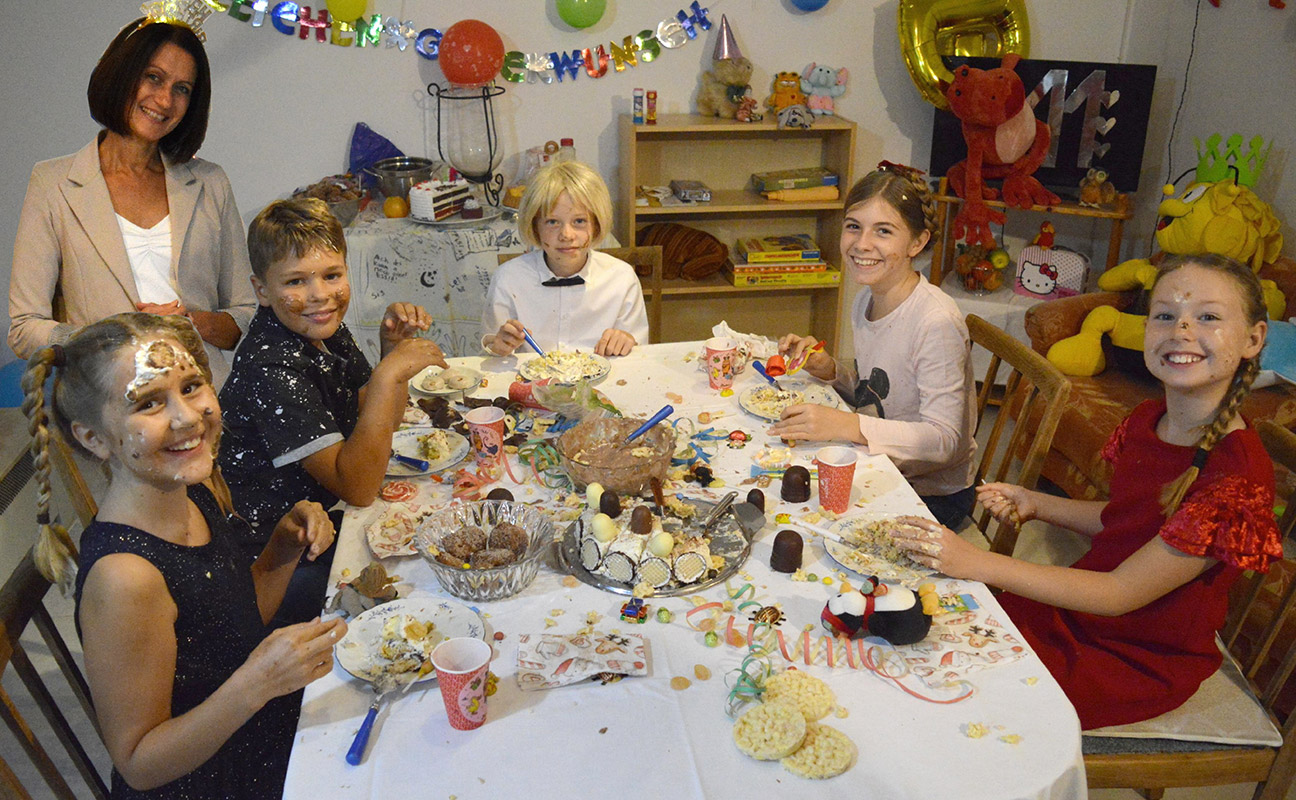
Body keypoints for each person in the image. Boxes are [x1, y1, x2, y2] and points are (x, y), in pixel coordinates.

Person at [893, 253, 1284, 729]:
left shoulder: (1236, 479)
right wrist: (1040, 504)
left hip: (1133, 657)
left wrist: (976, 561)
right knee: (923, 629)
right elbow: (1127, 518)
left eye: (1207, 316)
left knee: (953, 697)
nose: (1181, 329)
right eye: (1164, 315)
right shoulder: (1148, 420)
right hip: (1077, 614)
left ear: (1253, 338)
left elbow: (1120, 592)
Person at [22, 312, 345, 798]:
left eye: (192, 386)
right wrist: (256, 683)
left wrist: (280, 549)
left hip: (256, 732)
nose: (188, 417)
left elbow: (229, 624)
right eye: (149, 402)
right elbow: (139, 763)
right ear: (92, 437)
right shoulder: (125, 578)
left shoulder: (194, 493)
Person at [218, 198, 445, 622]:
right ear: (262, 290)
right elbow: (357, 486)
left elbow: (377, 427)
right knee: (422, 586)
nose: (319, 295)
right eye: (296, 282)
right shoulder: (270, 366)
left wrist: (389, 352)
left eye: (331, 275)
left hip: (320, 520)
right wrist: (386, 376)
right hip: (270, 559)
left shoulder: (325, 331)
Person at [8, 17, 256, 388]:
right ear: (122, 74)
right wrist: (108, 337)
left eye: (182, 88)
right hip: (103, 408)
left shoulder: (210, 182)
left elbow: (246, 315)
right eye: (153, 77)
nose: (164, 100)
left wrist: (191, 323)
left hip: (202, 404)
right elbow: (25, 329)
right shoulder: (52, 183)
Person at [771, 163, 977, 528]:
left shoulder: (935, 322)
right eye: (853, 226)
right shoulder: (866, 299)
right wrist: (833, 372)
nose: (862, 244)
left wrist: (847, 425)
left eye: (883, 231)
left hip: (929, 494)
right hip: (882, 465)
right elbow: (881, 396)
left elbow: (945, 440)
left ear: (918, 242)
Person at [482, 160, 648, 356]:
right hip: (530, 383)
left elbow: (638, 356)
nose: (566, 235)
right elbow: (491, 352)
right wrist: (498, 346)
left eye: (579, 221)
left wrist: (626, 341)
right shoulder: (508, 279)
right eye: (552, 222)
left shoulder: (621, 278)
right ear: (535, 226)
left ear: (596, 224)